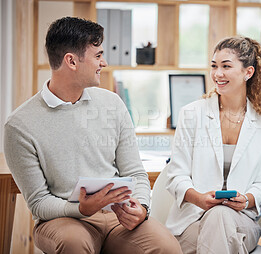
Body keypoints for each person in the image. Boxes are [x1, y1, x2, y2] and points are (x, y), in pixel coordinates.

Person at [4, 17, 181, 254]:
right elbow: (39, 202)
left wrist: (142, 208)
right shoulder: (20, 125)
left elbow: (135, 172)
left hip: (117, 218)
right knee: (74, 243)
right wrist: (81, 209)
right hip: (63, 221)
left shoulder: (112, 104)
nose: (104, 62)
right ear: (72, 61)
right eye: (97, 55)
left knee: (166, 247)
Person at [165, 36, 261, 254]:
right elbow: (175, 176)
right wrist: (198, 198)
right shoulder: (191, 114)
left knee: (220, 216)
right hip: (192, 220)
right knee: (218, 224)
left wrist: (246, 200)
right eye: (214, 66)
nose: (218, 74)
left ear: (248, 72)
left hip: (240, 221)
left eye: (226, 66)